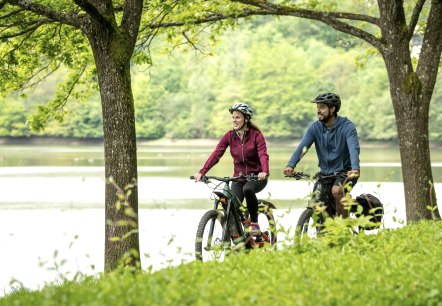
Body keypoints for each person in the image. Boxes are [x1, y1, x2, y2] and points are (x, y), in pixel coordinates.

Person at [194, 103, 269, 235]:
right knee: (230, 204)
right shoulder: (229, 136)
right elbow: (216, 154)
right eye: (233, 117)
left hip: (256, 177)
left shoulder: (256, 136)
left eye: (238, 117)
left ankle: (255, 224)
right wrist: (202, 172)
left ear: (246, 119)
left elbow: (263, 154)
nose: (234, 120)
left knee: (248, 189)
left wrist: (264, 171)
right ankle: (237, 238)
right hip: (238, 177)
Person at [283, 93, 360, 218]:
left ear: (333, 109)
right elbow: (303, 147)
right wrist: (290, 165)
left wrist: (355, 169)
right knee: (317, 202)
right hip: (325, 173)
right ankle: (322, 233)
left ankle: (344, 229)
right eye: (318, 107)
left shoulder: (347, 127)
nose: (318, 110)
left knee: (337, 191)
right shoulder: (315, 127)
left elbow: (353, 148)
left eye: (322, 107)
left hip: (346, 172)